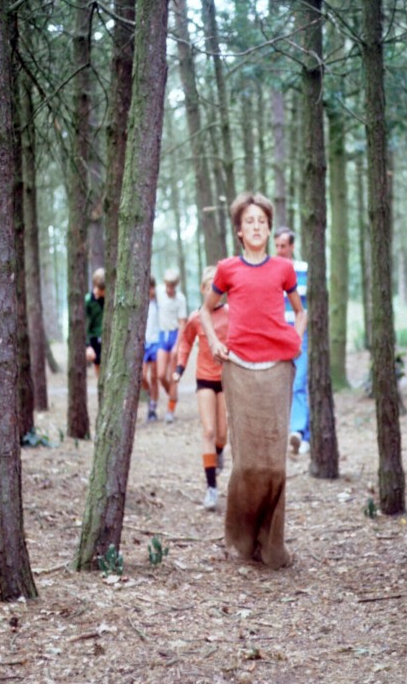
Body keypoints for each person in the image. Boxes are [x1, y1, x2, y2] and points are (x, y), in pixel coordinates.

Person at [200, 192, 305, 569]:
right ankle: (241, 541)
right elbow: (205, 310)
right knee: (247, 465)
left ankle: (272, 544)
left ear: (269, 228)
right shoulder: (227, 269)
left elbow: (300, 311)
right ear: (240, 232)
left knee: (274, 466)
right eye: (250, 222)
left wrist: (296, 340)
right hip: (239, 369)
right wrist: (215, 343)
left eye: (262, 221)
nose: (257, 227)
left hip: (277, 368)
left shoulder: (283, 269)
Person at [174, 267, 229, 511]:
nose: (212, 292)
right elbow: (185, 343)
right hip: (205, 378)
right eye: (208, 288)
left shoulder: (231, 314)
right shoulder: (196, 317)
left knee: (222, 434)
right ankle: (211, 489)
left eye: (216, 288)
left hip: (227, 380)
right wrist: (179, 368)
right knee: (209, 431)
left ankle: (219, 452)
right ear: (202, 289)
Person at [274, 227, 310, 456]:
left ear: (292, 247)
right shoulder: (270, 270)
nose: (280, 250)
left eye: (284, 246)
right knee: (279, 384)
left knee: (299, 382)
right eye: (277, 246)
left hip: (299, 333)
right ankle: (289, 431)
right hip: (276, 334)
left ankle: (299, 432)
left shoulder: (304, 270)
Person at [156, 268, 188, 423]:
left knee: (172, 375)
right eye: (168, 286)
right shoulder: (159, 292)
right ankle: (172, 395)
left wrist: (177, 345)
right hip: (163, 334)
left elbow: (182, 323)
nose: (169, 289)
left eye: (172, 287)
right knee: (161, 375)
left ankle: (170, 409)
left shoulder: (180, 299)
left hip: (175, 334)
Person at [142, 276, 161, 422]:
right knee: (142, 376)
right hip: (143, 343)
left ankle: (153, 407)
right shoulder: (141, 304)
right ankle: (149, 395)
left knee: (154, 376)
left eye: (152, 287)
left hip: (156, 342)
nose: (151, 290)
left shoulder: (158, 303)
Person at [85, 268, 106, 376]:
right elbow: (84, 326)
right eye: (99, 289)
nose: (101, 292)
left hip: (107, 337)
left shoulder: (109, 299)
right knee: (99, 368)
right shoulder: (88, 300)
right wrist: (87, 346)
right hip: (94, 339)